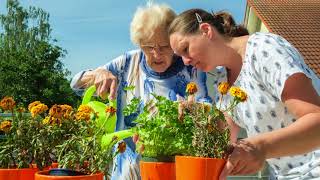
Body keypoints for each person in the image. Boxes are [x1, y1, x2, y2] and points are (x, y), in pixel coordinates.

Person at [70, 4, 224, 180]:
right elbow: (76, 85)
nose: (157, 54)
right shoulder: (127, 63)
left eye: (165, 47)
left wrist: (193, 107)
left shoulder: (190, 67)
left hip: (174, 170)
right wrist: (97, 74)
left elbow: (207, 106)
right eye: (149, 46)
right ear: (139, 43)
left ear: (174, 42)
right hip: (126, 170)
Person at [168, 8, 320, 179]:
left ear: (206, 31)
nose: (186, 62)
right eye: (180, 56)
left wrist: (261, 147)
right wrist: (178, 125)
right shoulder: (222, 80)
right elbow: (221, 139)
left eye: (186, 49)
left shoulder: (264, 49)